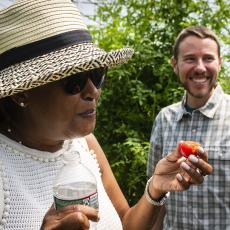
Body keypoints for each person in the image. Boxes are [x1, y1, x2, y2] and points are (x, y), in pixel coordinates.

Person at [0, 1, 212, 229]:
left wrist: (155, 189)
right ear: (21, 94)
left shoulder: (85, 145)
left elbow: (126, 224)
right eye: (75, 81)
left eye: (97, 74)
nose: (93, 91)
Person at [147, 25, 230, 230]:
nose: (200, 67)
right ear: (175, 64)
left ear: (219, 63)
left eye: (208, 58)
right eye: (190, 59)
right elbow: (155, 195)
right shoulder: (164, 119)